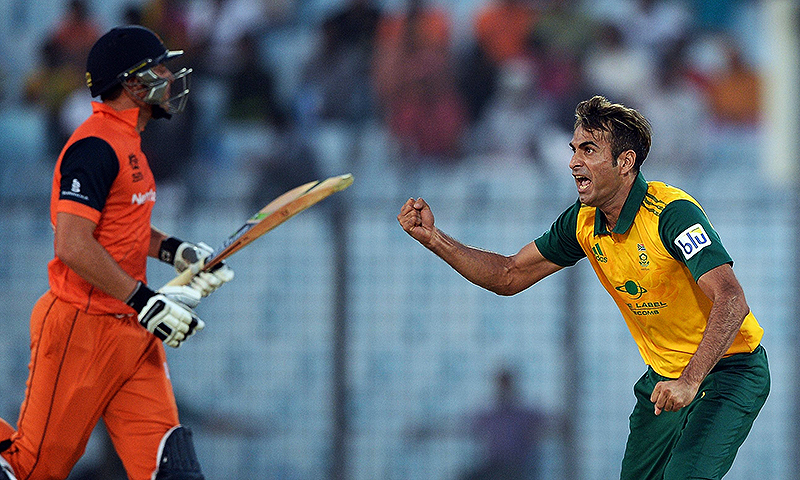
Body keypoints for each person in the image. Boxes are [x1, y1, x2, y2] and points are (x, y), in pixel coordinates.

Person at [398, 95, 770, 480]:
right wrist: (435, 239)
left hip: (730, 369)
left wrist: (690, 380)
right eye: (574, 149)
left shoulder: (671, 214)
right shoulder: (582, 221)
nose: (573, 161)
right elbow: (509, 275)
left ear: (625, 162)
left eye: (588, 150)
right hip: (663, 380)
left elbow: (731, 299)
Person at [0, 25, 234, 480]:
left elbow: (121, 228)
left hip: (130, 329)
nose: (169, 77)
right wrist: (144, 300)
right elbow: (72, 243)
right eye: (159, 69)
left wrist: (175, 251)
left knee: (172, 471)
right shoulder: (94, 146)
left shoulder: (129, 143)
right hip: (81, 327)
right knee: (30, 471)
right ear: (132, 83)